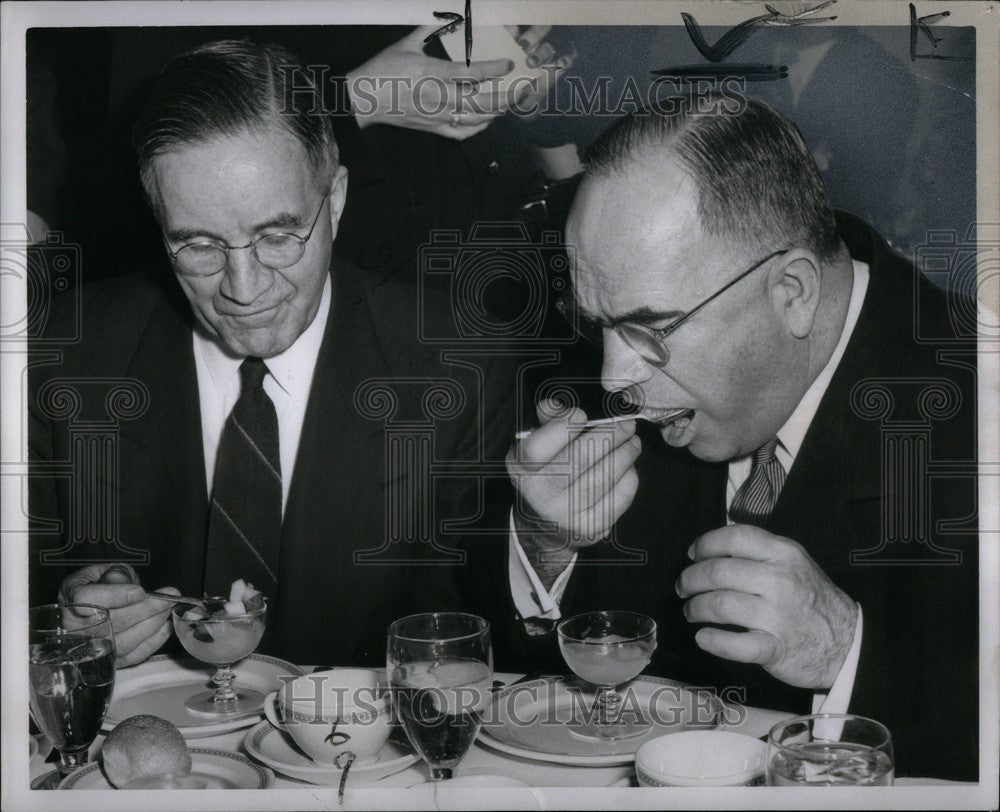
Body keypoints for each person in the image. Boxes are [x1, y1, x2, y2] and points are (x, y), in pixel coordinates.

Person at [503, 98, 978, 780]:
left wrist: (847, 653)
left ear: (792, 292)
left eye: (650, 330)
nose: (613, 380)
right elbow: (541, 696)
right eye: (599, 326)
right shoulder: (662, 366)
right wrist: (548, 544)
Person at [28, 39, 516, 669]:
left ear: (335, 201)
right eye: (198, 245)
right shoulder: (56, 355)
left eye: (278, 236)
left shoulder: (460, 359)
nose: (244, 289)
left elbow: (492, 621)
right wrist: (54, 627)